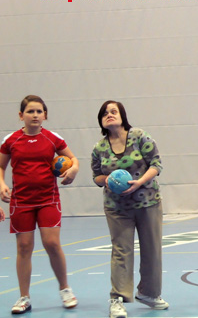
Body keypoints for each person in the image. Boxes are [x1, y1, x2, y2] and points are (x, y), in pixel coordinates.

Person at [0, 95, 79, 314]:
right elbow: (1, 166)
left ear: (45, 115)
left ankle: (65, 289)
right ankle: (24, 297)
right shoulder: (10, 140)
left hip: (48, 200)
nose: (35, 115)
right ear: (21, 115)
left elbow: (73, 159)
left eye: (39, 111)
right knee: (24, 247)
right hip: (21, 202)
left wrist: (73, 170)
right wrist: (2, 184)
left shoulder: (53, 138)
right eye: (30, 111)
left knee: (51, 243)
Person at [90, 100, 169, 318]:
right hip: (117, 207)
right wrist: (106, 179)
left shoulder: (139, 136)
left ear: (122, 116)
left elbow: (156, 164)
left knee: (152, 249)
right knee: (121, 251)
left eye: (113, 111)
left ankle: (149, 294)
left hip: (148, 202)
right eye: (105, 113)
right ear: (101, 121)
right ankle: (117, 298)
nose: (109, 115)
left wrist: (140, 182)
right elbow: (96, 176)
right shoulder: (99, 148)